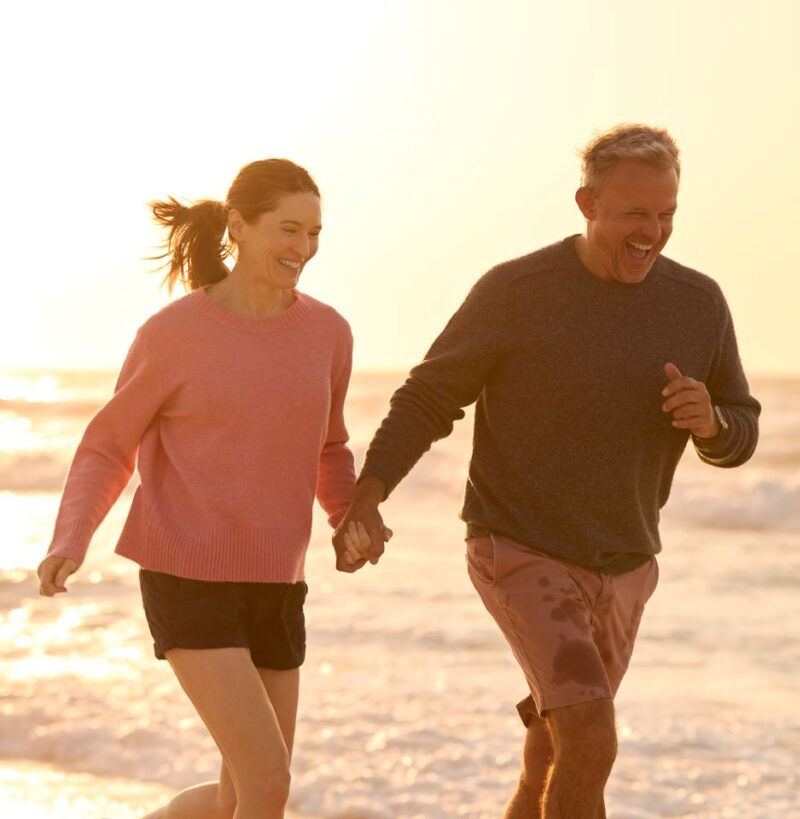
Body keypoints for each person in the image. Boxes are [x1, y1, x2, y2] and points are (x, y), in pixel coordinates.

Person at [334, 124, 761, 818]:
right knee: (591, 739)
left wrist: (711, 423)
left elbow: (741, 426)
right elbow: (432, 395)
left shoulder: (698, 302)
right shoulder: (518, 290)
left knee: (554, 746)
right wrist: (370, 493)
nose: (652, 231)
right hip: (519, 546)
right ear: (586, 204)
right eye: (635, 213)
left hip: (625, 560)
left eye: (666, 214)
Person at [37, 159, 369, 819]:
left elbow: (329, 446)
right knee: (267, 783)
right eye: (289, 229)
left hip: (279, 578)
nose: (303, 249)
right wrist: (70, 537)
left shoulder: (328, 333)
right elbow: (108, 445)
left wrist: (347, 519)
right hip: (186, 572)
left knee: (236, 796)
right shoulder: (172, 336)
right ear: (238, 227)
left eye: (314, 233)